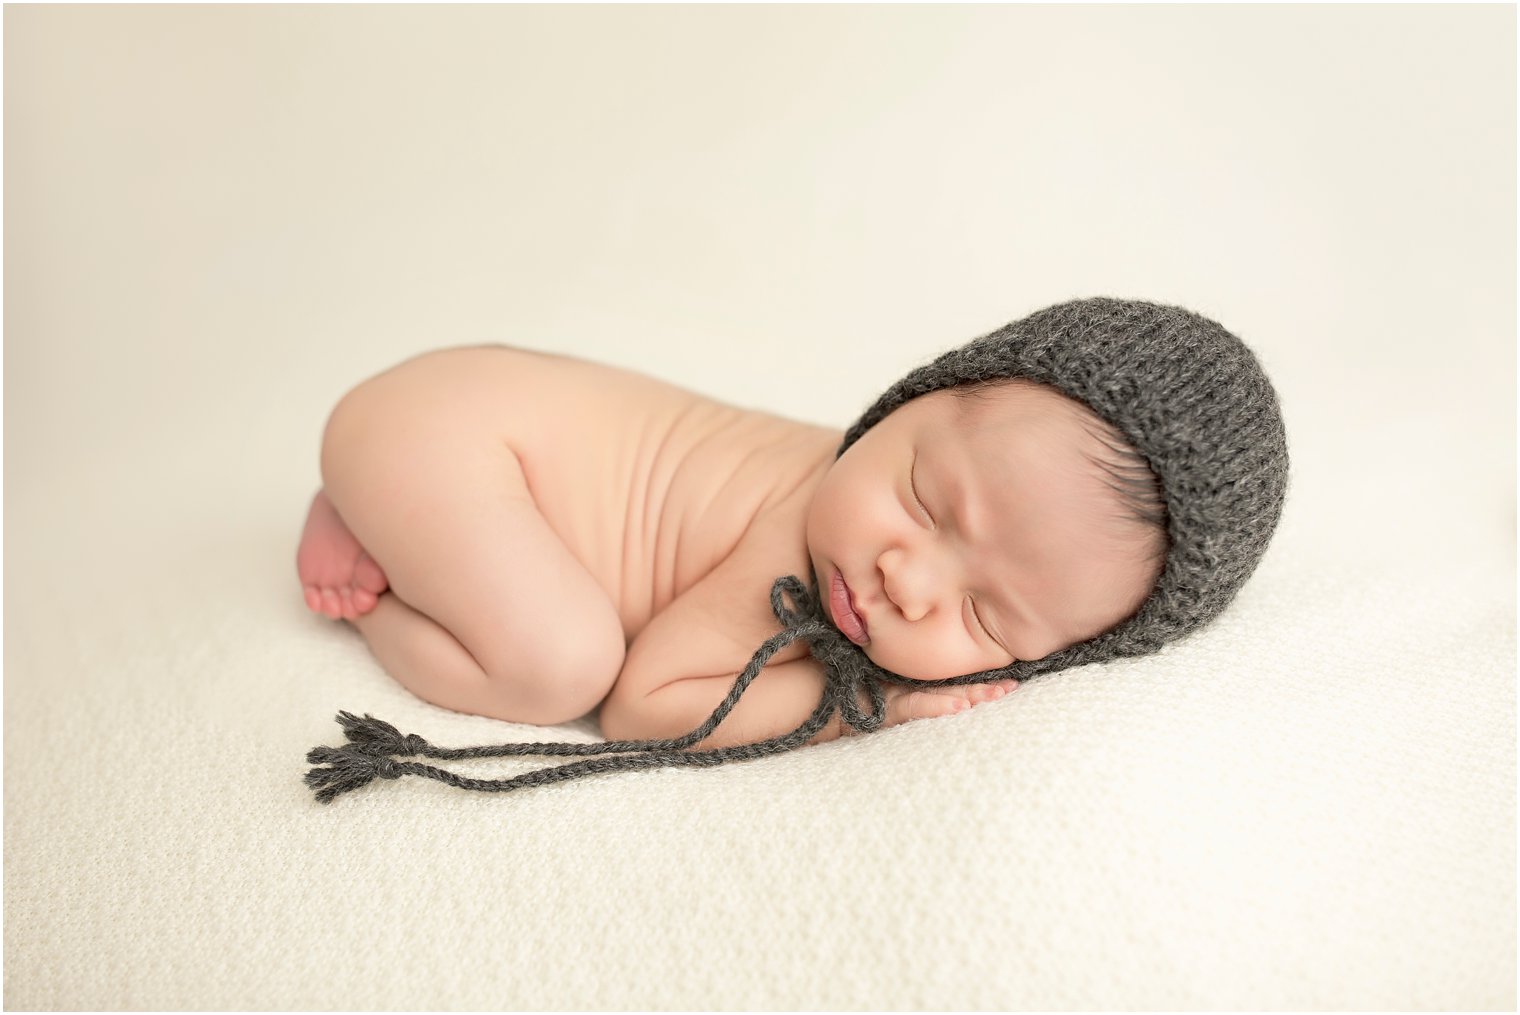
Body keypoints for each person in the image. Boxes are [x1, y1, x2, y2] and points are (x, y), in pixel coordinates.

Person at [297, 297, 1287, 767]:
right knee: (558, 667)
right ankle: (377, 584)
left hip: (467, 415)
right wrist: (874, 703)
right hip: (448, 432)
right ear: (905, 404)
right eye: (923, 502)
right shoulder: (794, 548)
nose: (907, 580)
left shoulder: (875, 508)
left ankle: (405, 517)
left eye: (983, 614)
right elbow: (646, 707)